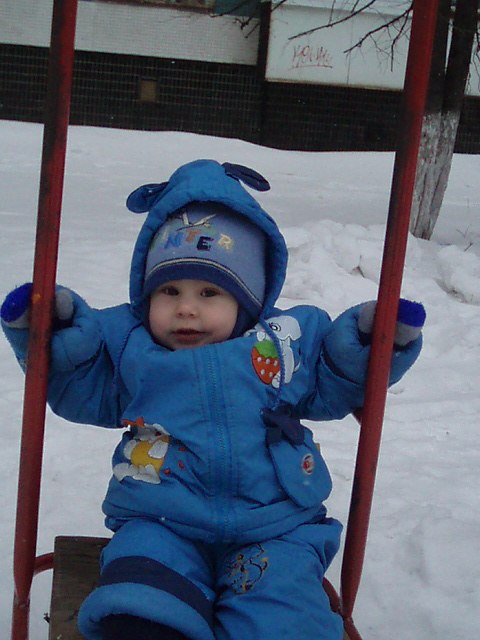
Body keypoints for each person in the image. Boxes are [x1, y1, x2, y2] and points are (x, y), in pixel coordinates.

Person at [1, 160, 425, 640]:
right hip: (160, 520)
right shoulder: (127, 345)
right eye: (169, 290)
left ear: (248, 301)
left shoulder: (285, 341)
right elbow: (81, 383)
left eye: (209, 292)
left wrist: (369, 342)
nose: (186, 308)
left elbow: (334, 377)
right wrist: (57, 339)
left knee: (286, 614)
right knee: (140, 603)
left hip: (275, 525)